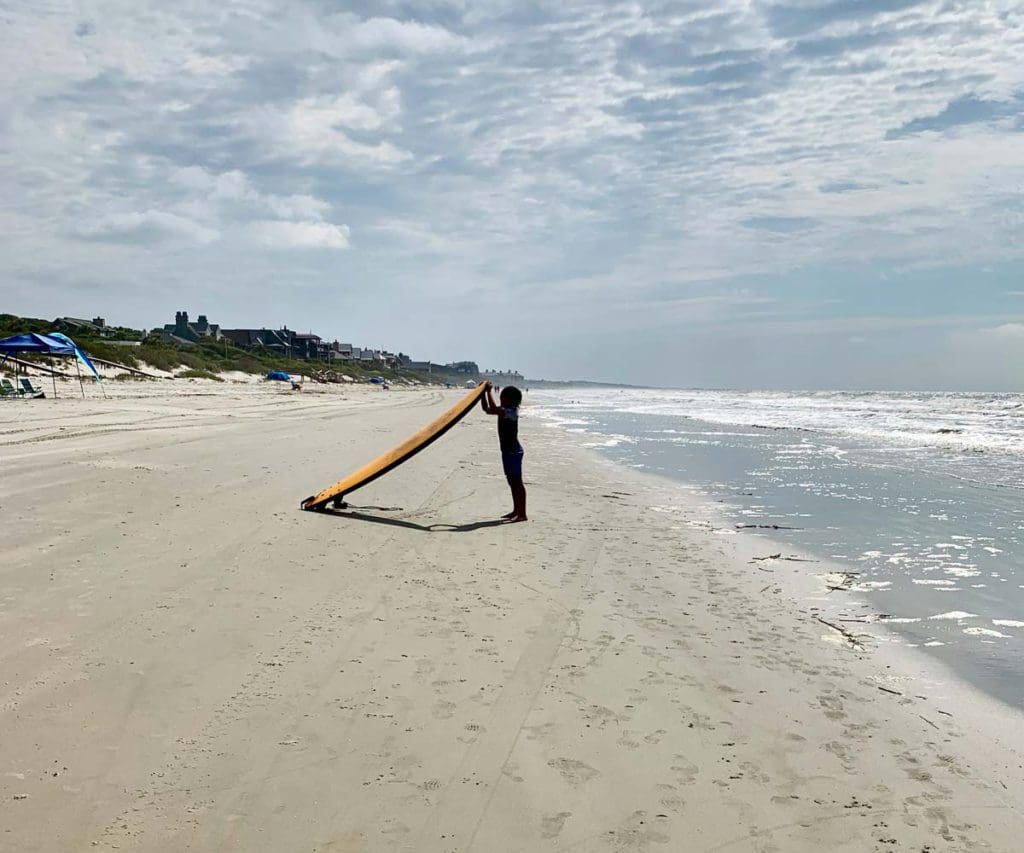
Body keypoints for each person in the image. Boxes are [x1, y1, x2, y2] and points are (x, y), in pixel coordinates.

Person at [480, 382, 527, 521]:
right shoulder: (504, 409)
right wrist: (482, 394)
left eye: (503, 397)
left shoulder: (510, 411)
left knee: (517, 482)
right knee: (511, 482)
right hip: (507, 451)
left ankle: (522, 513)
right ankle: (515, 510)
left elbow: (493, 407)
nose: (501, 399)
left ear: (511, 400)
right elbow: (487, 409)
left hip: (513, 452)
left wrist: (488, 392)